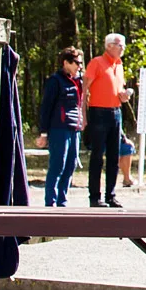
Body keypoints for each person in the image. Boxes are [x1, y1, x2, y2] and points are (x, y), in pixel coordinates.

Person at [35, 46, 87, 207]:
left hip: (74, 128)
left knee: (71, 164)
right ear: (66, 62)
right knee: (58, 164)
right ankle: (50, 201)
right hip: (59, 128)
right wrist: (43, 133)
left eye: (81, 63)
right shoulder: (55, 81)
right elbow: (46, 107)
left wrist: (82, 121)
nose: (79, 66)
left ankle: (62, 201)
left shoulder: (79, 81)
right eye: (76, 63)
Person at [83, 32, 129, 208]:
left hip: (116, 112)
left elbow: (118, 90)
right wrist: (83, 116)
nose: (123, 48)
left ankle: (111, 195)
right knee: (97, 156)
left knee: (114, 156)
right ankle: (95, 197)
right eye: (120, 45)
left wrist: (124, 96)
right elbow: (84, 90)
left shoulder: (119, 65)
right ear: (109, 46)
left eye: (123, 45)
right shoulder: (97, 63)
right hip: (98, 112)